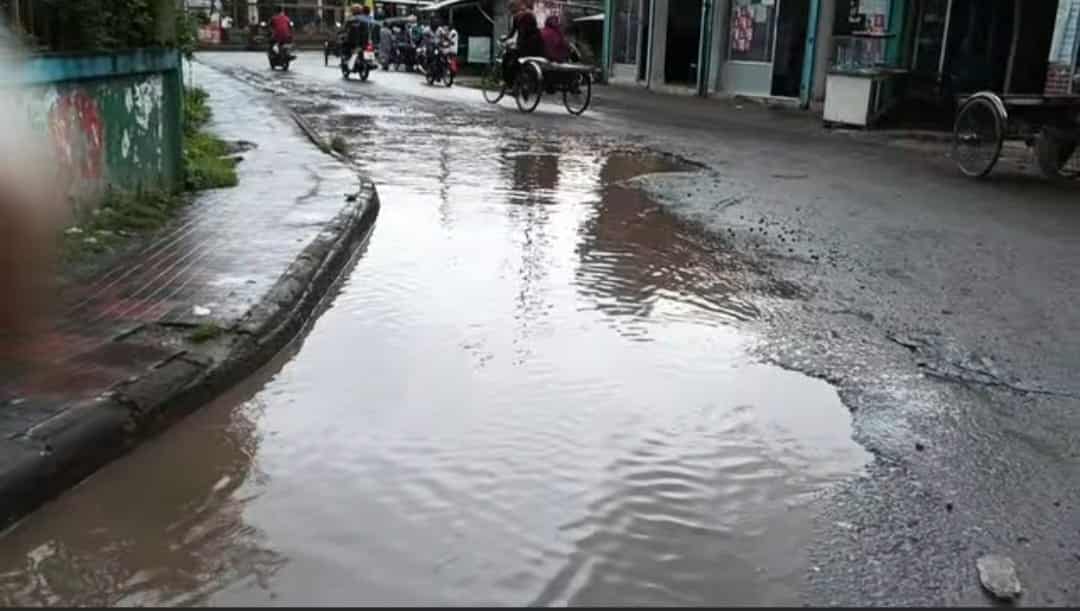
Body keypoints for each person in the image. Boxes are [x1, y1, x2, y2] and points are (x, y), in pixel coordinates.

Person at [501, 0, 543, 85]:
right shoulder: (531, 14)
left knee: (507, 59)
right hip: (537, 47)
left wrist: (506, 39)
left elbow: (515, 33)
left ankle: (509, 83)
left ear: (513, 8)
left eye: (510, 8)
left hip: (524, 47)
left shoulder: (517, 17)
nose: (510, 11)